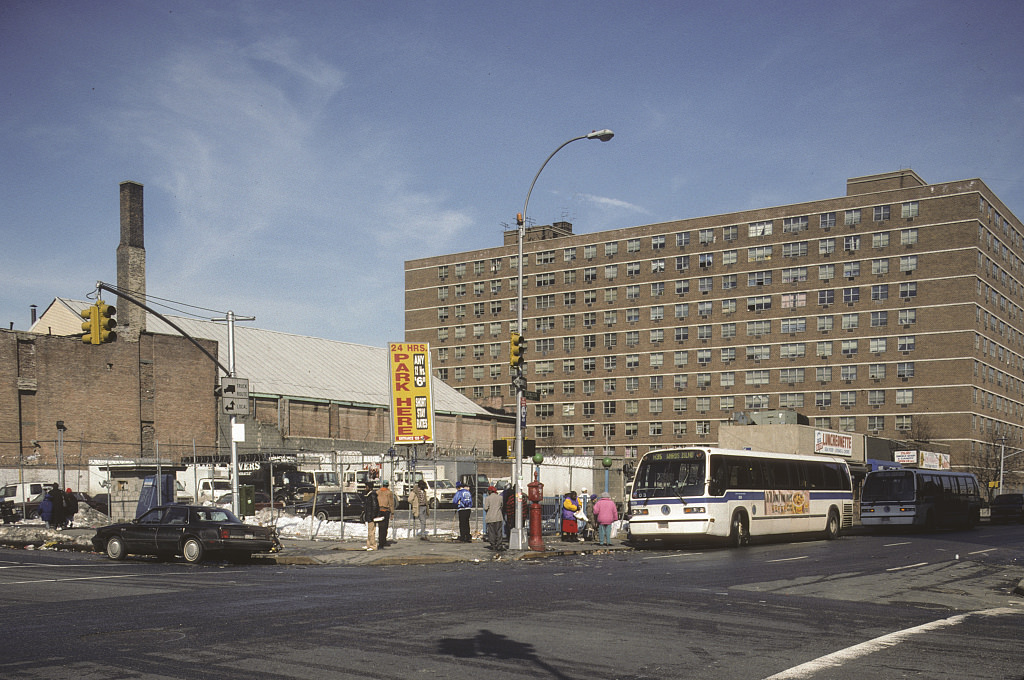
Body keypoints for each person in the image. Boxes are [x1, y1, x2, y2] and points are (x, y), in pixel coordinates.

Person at [360, 482, 380, 550]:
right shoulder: (369, 495)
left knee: (371, 531)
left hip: (371, 516)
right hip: (369, 516)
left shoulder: (372, 495)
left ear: (370, 488)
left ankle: (373, 545)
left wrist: (373, 516)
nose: (365, 488)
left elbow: (375, 506)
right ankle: (369, 545)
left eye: (366, 487)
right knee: (369, 531)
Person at [483, 485, 503, 550]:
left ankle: (493, 544)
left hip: (491, 518)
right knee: (499, 531)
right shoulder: (500, 497)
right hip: (498, 517)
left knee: (491, 532)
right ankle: (499, 544)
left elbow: (486, 508)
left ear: (489, 491)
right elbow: (501, 506)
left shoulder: (488, 498)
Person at [376, 480, 395, 548]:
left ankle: (381, 540)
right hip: (386, 511)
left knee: (380, 526)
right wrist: (392, 513)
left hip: (379, 510)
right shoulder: (389, 492)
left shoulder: (377, 492)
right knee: (385, 527)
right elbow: (391, 503)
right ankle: (382, 541)